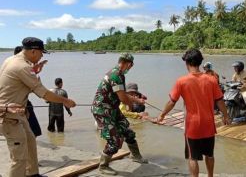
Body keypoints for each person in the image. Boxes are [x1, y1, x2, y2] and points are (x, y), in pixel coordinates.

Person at [0, 37, 76, 177]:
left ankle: (32, 174)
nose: (42, 56)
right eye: (42, 53)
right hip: (9, 117)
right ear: (33, 51)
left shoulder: (12, 60)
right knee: (19, 158)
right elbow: (45, 94)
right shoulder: (22, 66)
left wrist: (34, 72)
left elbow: (21, 83)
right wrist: (65, 101)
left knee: (30, 142)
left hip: (19, 115)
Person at [157, 49, 230, 177]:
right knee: (210, 154)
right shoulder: (211, 79)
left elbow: (171, 102)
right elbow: (220, 101)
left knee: (193, 157)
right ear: (200, 62)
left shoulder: (182, 81)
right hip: (208, 124)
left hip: (192, 125)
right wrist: (226, 116)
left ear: (187, 63)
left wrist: (162, 115)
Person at [91, 53, 148, 175]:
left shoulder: (119, 74)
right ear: (128, 63)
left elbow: (122, 93)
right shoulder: (116, 75)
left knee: (128, 132)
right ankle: (103, 166)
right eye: (131, 66)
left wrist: (137, 100)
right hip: (102, 111)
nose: (130, 68)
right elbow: (123, 98)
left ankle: (135, 156)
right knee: (115, 141)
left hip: (113, 109)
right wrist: (130, 105)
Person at [14, 46, 42, 137]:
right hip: (18, 105)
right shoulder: (20, 67)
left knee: (32, 131)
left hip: (22, 103)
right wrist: (65, 101)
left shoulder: (13, 65)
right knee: (33, 131)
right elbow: (37, 90)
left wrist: (35, 72)